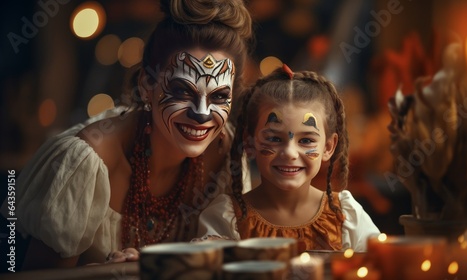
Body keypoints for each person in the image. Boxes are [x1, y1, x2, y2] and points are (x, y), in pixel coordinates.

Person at [1, 0, 253, 269]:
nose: (202, 113)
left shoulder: (228, 157)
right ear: (147, 85)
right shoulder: (85, 161)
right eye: (182, 90)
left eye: (219, 96)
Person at [197, 65, 380, 252]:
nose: (290, 153)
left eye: (307, 140)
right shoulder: (226, 218)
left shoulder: (347, 216)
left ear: (328, 147)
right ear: (249, 143)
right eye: (274, 138)